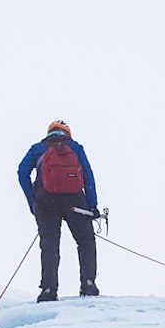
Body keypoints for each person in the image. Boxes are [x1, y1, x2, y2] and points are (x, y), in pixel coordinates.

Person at [18, 119, 100, 302]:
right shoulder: (76, 147)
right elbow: (87, 174)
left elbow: (22, 172)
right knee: (86, 240)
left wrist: (32, 201)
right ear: (67, 133)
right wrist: (92, 204)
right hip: (75, 201)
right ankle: (88, 284)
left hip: (45, 201)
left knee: (49, 244)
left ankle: (48, 289)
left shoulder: (38, 148)